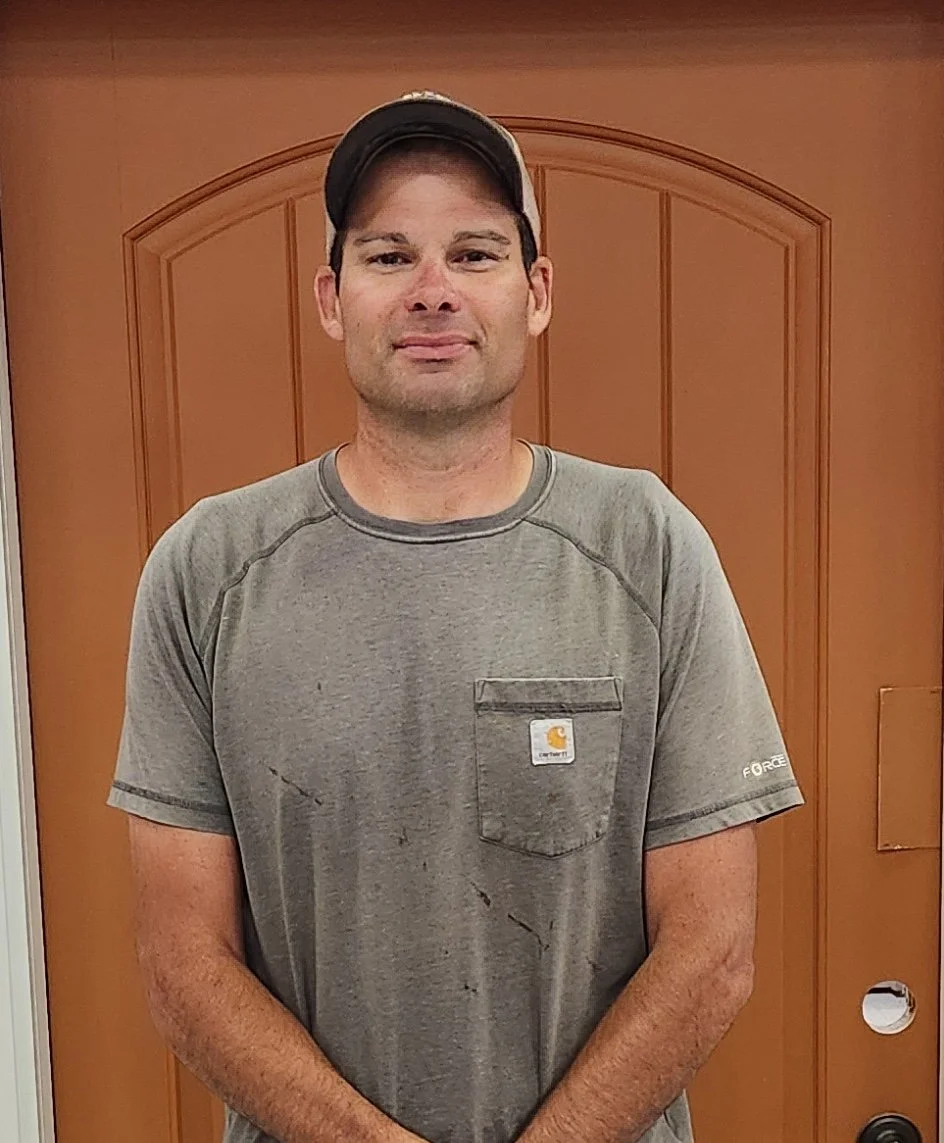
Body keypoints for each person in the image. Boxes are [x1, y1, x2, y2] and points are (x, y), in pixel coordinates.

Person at [106, 92, 805, 1143]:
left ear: (534, 294)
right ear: (330, 298)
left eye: (473, 254)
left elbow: (711, 951)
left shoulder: (646, 547)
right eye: (388, 257)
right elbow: (182, 967)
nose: (431, 293)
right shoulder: (207, 570)